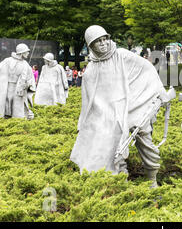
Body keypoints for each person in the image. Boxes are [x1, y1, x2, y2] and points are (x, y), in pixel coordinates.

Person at [70, 25, 171, 188]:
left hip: (133, 107)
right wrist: (83, 123)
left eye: (105, 39)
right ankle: (119, 182)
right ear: (91, 46)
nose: (103, 44)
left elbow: (147, 70)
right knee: (111, 147)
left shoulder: (123, 56)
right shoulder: (90, 71)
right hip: (109, 116)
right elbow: (88, 102)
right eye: (98, 42)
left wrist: (158, 92)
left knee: (144, 138)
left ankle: (152, 179)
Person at [0, 43, 35, 119]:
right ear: (21, 52)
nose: (28, 53)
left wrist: (28, 84)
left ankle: (17, 121)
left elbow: (30, 78)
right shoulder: (8, 61)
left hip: (19, 89)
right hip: (8, 87)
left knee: (18, 109)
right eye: (26, 51)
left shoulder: (25, 64)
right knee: (7, 106)